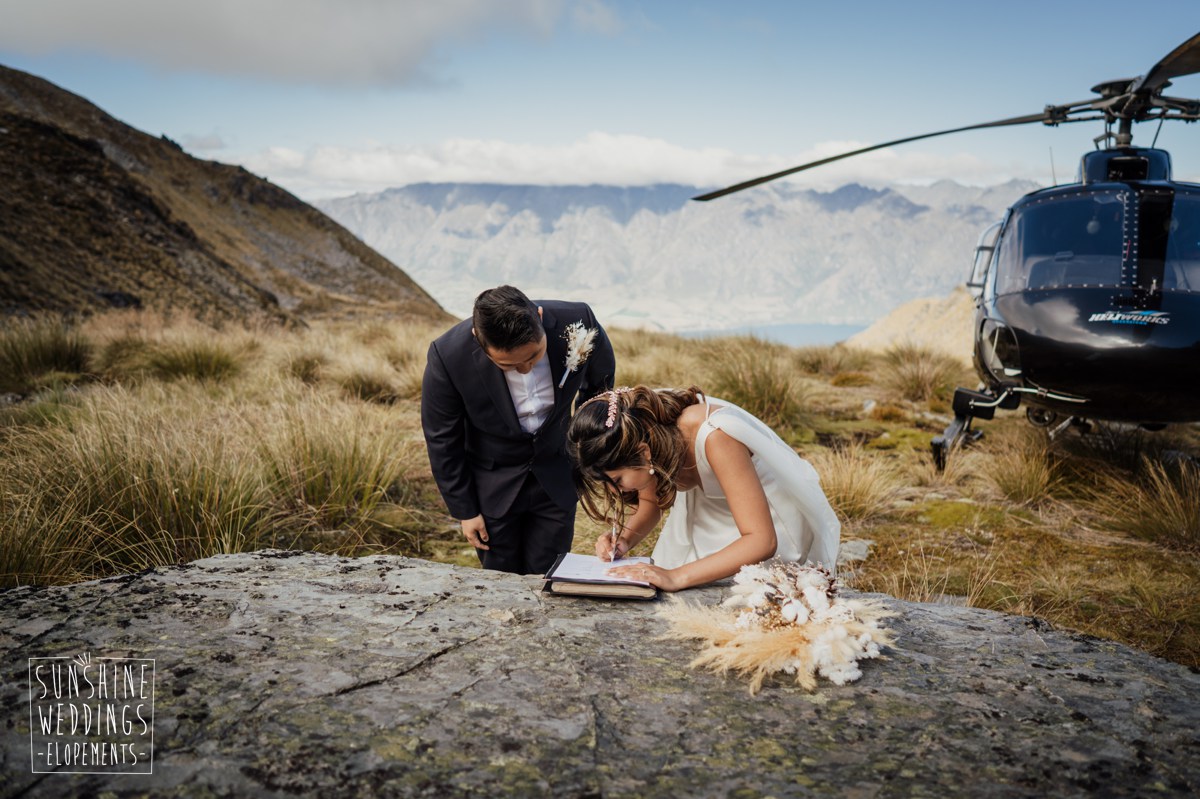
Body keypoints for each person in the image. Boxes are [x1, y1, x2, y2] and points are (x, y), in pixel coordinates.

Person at [566, 385, 840, 591]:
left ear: (643, 453)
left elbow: (762, 541)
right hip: (708, 517)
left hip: (766, 521)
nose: (616, 492)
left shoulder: (717, 437)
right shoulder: (642, 429)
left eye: (617, 481)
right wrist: (624, 540)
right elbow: (651, 501)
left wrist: (676, 577)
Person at [421, 285, 615, 574]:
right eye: (509, 365)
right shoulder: (447, 355)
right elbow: (442, 439)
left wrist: (584, 451)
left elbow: (600, 389)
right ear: (478, 339)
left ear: (540, 317)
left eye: (534, 356)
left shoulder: (579, 322)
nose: (525, 369)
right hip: (492, 486)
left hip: (557, 477)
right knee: (499, 579)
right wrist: (465, 511)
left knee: (550, 576)